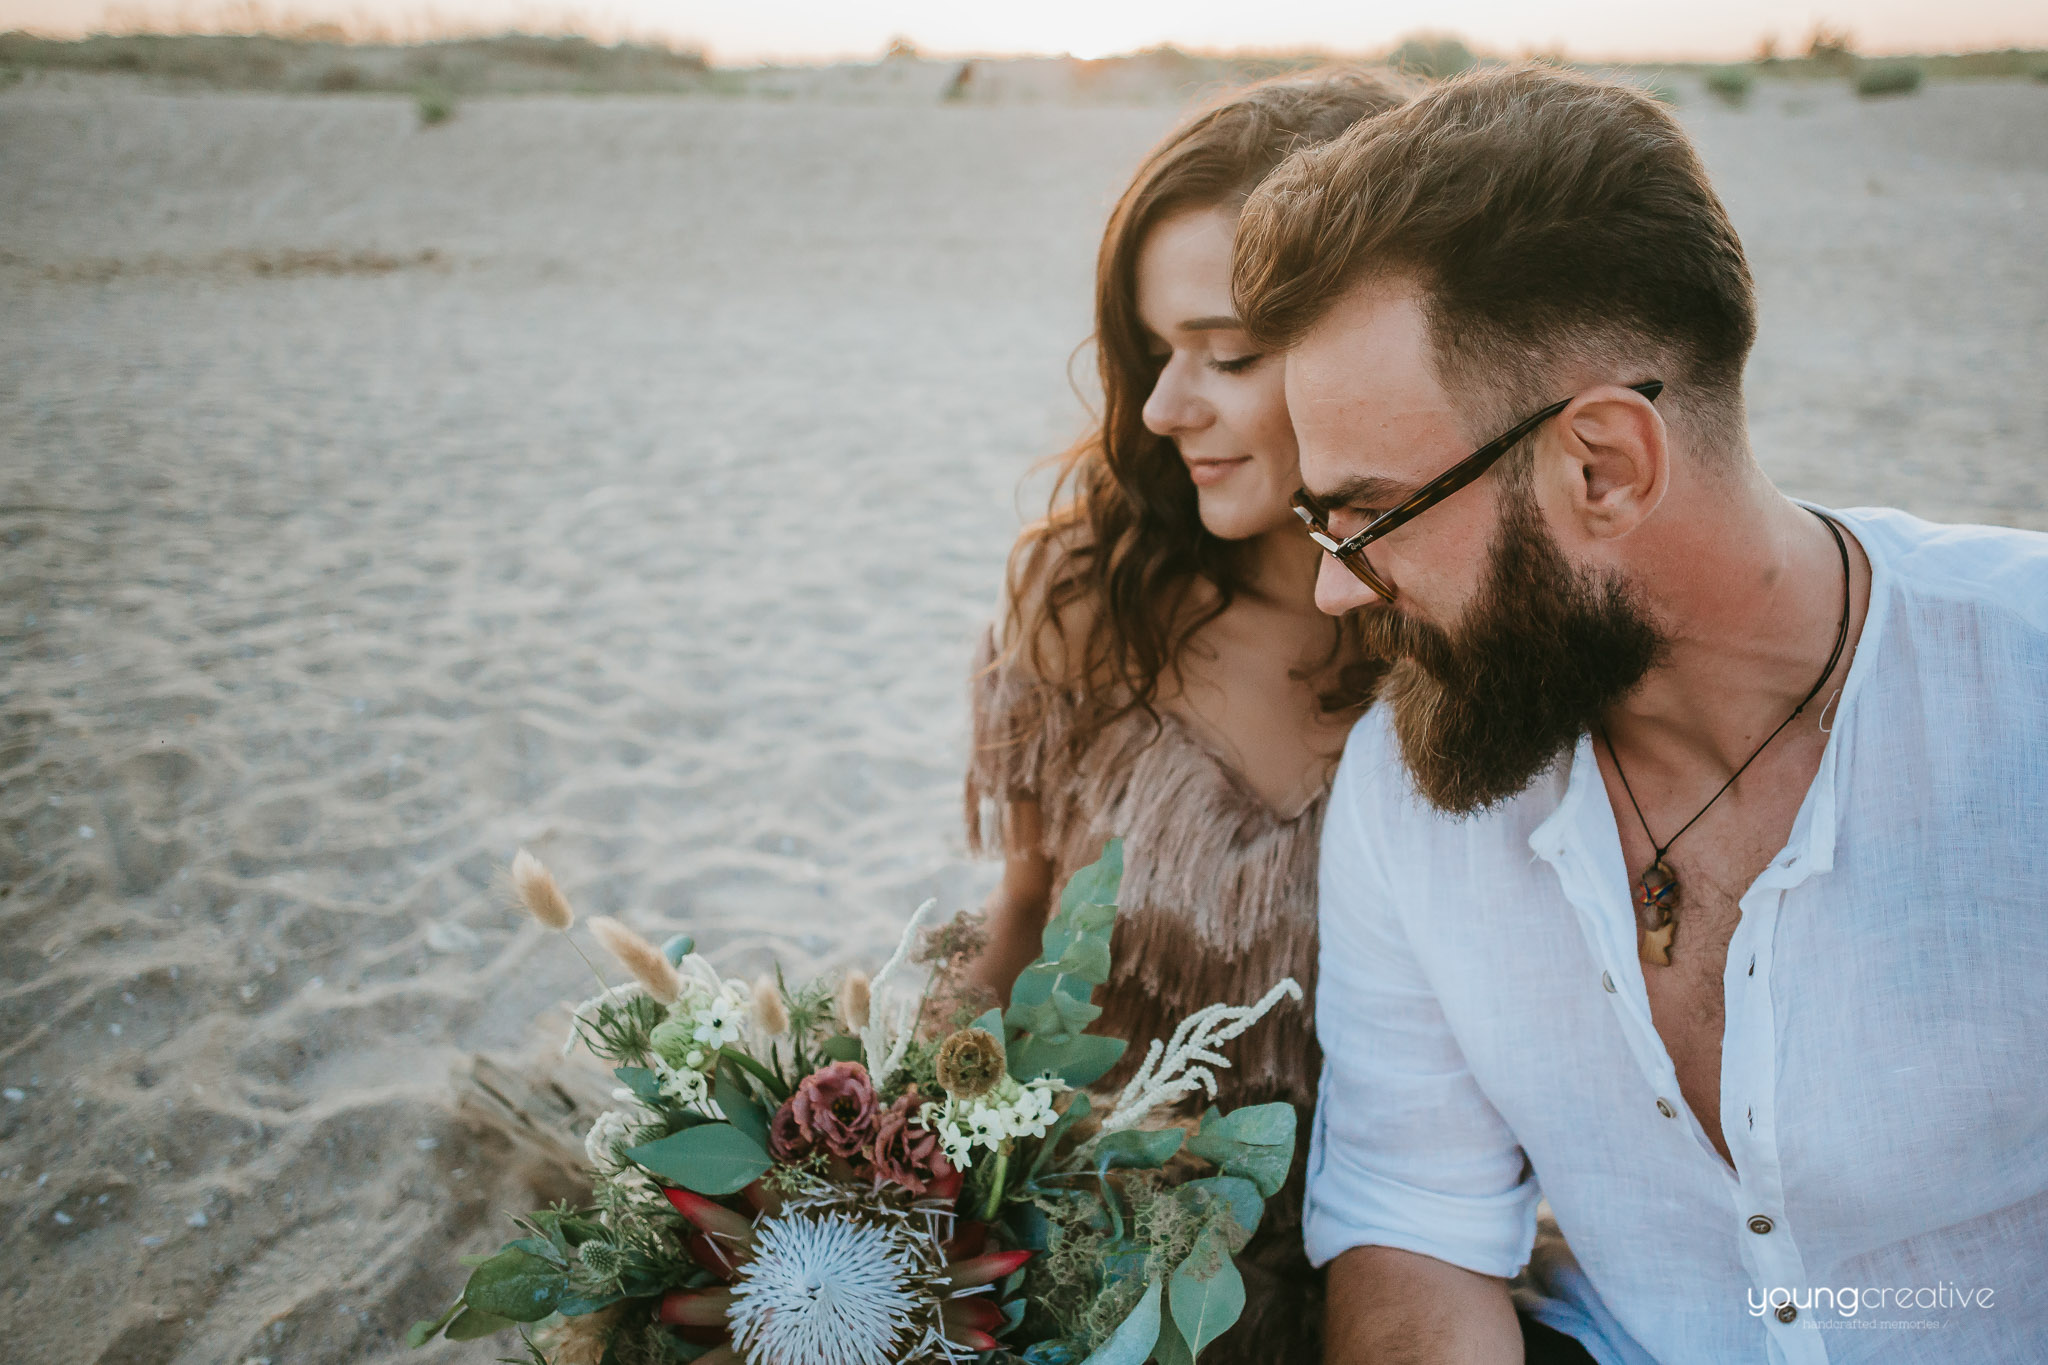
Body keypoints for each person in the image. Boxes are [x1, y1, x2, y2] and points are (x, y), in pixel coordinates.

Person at [1229, 62, 2048, 1363]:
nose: (1334, 587)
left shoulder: (2027, 700)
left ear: (1605, 466)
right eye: (1315, 521)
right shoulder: (1407, 780)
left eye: (1366, 515)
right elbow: (1416, 1225)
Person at [963, 67, 1412, 1364]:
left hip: (1380, 1279)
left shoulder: (1479, 654)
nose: (1164, 409)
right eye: (1155, 352)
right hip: (1063, 1249)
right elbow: (1017, 926)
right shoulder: (1087, 602)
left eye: (1227, 354)